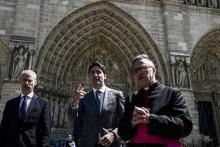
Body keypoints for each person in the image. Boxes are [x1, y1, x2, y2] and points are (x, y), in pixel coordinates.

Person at [118, 54, 193, 147]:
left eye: (143, 68)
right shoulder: (132, 98)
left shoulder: (171, 93)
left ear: (154, 70)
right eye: (136, 70)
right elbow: (122, 134)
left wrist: (150, 119)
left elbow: (185, 126)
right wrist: (132, 122)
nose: (139, 72)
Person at [69, 61, 125, 147]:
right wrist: (74, 102)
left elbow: (125, 121)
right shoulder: (84, 97)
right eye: (92, 72)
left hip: (111, 143)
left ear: (105, 76)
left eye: (99, 72)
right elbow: (74, 118)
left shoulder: (117, 95)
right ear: (89, 76)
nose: (95, 75)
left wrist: (113, 134)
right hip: (87, 143)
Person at [0, 70, 51, 147]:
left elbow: (46, 130)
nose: (27, 83)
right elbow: (4, 128)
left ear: (35, 82)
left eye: (30, 80)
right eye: (24, 80)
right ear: (20, 81)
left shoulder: (43, 103)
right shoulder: (10, 104)